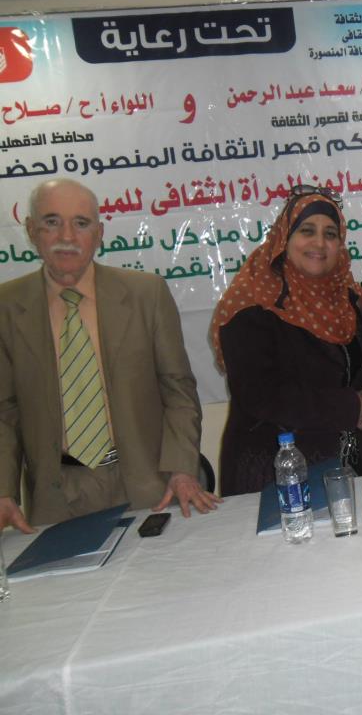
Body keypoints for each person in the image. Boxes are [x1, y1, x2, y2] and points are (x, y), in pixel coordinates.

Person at [0, 178, 217, 533]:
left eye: (81, 223)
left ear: (99, 234)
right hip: (55, 496)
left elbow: (178, 391)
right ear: (31, 230)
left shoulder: (146, 295)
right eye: (52, 222)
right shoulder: (7, 307)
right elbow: (4, 412)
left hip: (146, 485)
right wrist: (3, 490)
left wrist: (182, 469)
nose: (67, 236)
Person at [211, 187, 362, 496]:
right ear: (284, 238)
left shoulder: (345, 299)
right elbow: (259, 395)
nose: (319, 243)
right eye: (307, 231)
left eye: (330, 234)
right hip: (275, 472)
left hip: (344, 462)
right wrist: (348, 408)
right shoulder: (252, 307)